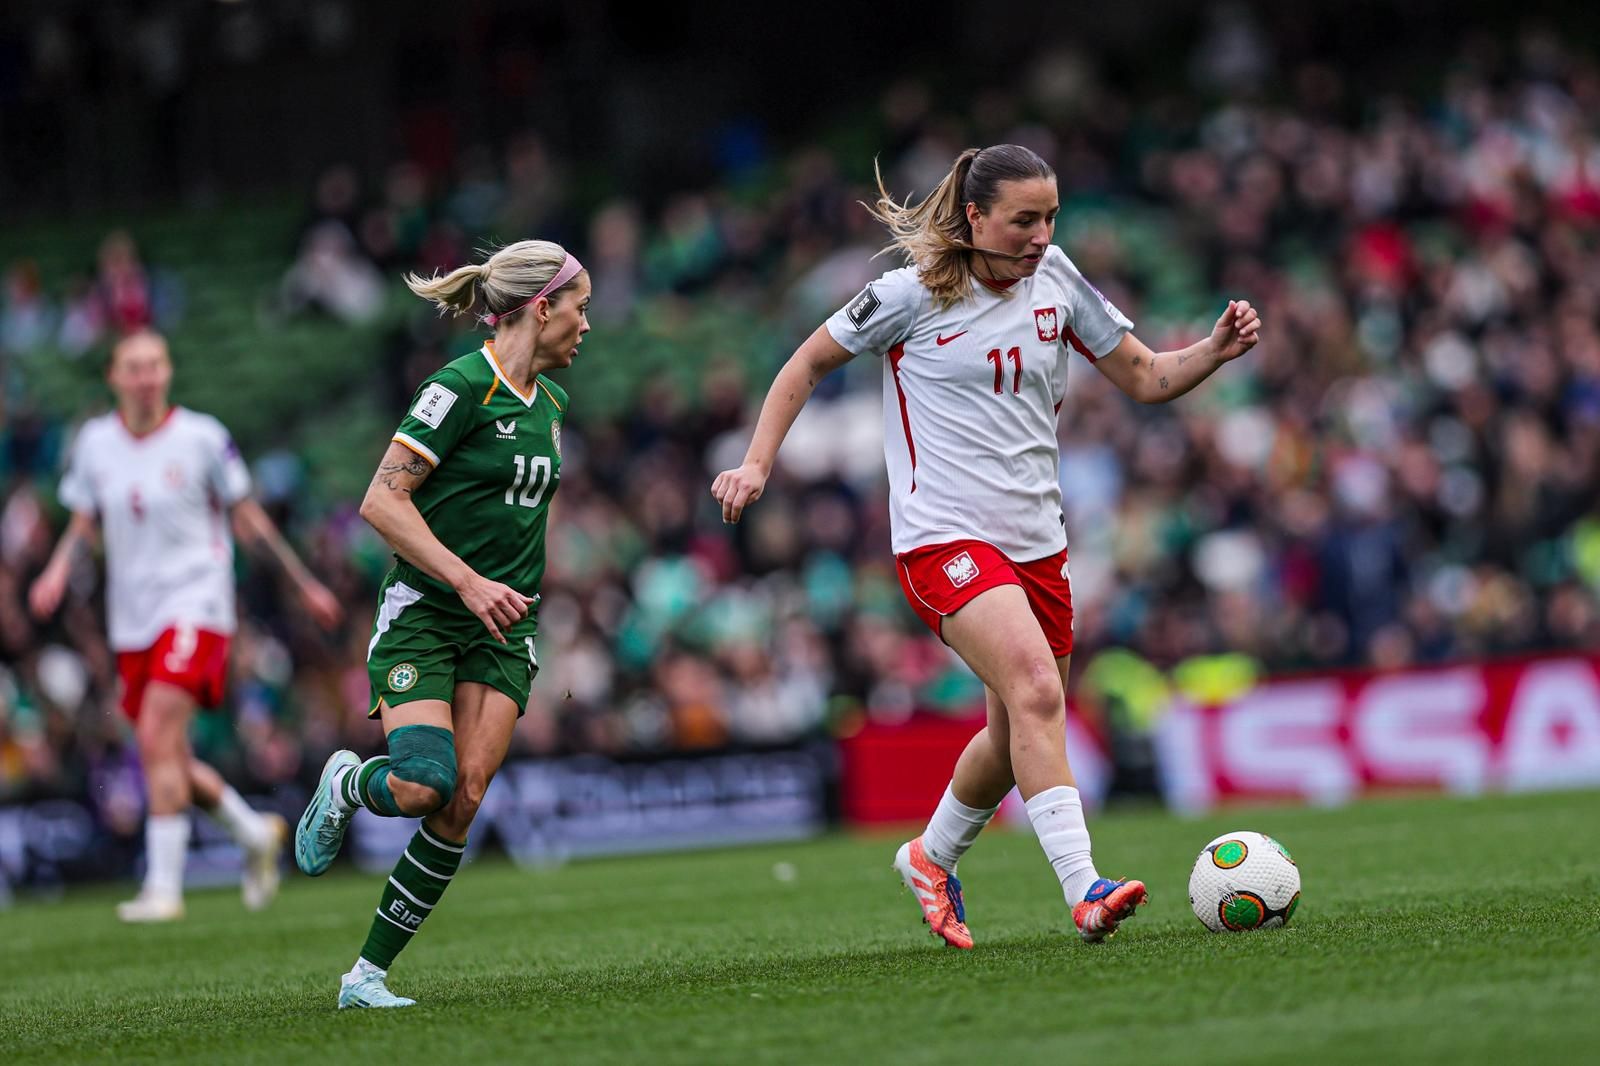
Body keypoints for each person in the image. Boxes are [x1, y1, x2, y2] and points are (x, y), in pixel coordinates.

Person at [712, 145, 1261, 947]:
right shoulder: (907, 295)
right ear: (974, 217)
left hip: (1038, 544)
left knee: (1014, 734)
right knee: (1037, 688)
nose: (1041, 236)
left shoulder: (1057, 280)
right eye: (1023, 220)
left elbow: (1145, 376)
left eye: (1051, 218)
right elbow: (806, 365)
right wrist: (757, 463)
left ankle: (931, 858)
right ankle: (1085, 889)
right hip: (943, 539)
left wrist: (1212, 350)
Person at [294, 239, 589, 1009]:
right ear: (542, 308)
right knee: (425, 785)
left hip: (503, 628)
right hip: (426, 615)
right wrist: (467, 580)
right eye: (580, 307)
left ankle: (365, 977)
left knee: (465, 797)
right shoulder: (458, 387)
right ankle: (347, 783)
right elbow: (381, 501)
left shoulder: (553, 405)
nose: (587, 325)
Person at [28, 328, 344, 922]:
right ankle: (253, 834)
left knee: (156, 737)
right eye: (134, 367)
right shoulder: (95, 444)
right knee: (164, 752)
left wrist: (304, 583)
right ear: (114, 377)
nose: (146, 377)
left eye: (155, 365)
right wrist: (55, 571)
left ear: (168, 372)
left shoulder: (202, 438)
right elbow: (83, 522)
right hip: (132, 620)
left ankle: (163, 888)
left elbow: (249, 519)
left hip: (197, 605)